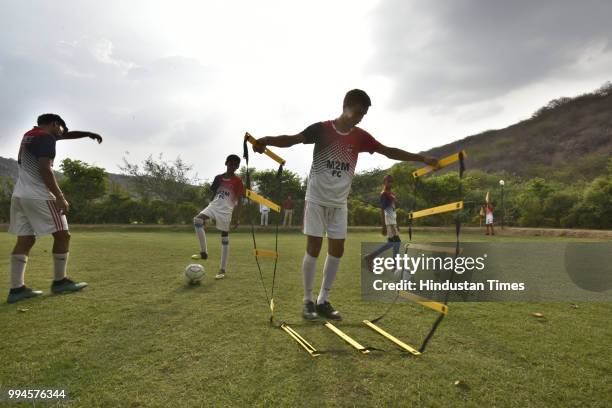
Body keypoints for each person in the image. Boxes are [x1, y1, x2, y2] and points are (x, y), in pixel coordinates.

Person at [252, 89, 438, 321]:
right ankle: (308, 301)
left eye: (364, 114)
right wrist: (267, 140)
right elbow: (293, 139)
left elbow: (388, 151)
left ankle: (323, 300)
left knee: (337, 250)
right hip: (317, 199)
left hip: (339, 203)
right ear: (347, 106)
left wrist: (422, 158)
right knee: (314, 247)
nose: (361, 117)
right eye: (359, 112)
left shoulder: (360, 136)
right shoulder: (321, 129)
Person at [7, 113, 103, 304]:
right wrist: (59, 196)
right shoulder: (46, 137)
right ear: (54, 124)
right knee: (63, 235)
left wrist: (87, 133)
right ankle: (60, 282)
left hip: (20, 195)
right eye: (61, 129)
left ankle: (16, 289)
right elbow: (45, 168)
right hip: (40, 195)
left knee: (25, 239)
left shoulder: (29, 135)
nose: (62, 134)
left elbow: (64, 135)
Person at [192, 154, 244, 280]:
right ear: (226, 163)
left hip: (226, 210)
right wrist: (208, 211)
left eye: (235, 165)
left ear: (237, 167)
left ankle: (222, 269)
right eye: (231, 163)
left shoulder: (238, 181)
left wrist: (237, 219)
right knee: (197, 219)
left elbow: (240, 200)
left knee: (224, 237)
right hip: (214, 205)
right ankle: (203, 252)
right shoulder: (218, 178)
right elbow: (214, 194)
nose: (233, 166)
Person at [364, 175, 401, 270]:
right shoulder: (384, 194)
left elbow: (393, 209)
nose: (390, 183)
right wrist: (383, 225)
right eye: (388, 181)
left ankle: (371, 257)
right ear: (384, 182)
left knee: (393, 243)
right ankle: (394, 265)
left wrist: (397, 223)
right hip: (389, 222)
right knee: (396, 242)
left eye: (391, 181)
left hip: (393, 222)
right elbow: (382, 210)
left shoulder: (391, 193)